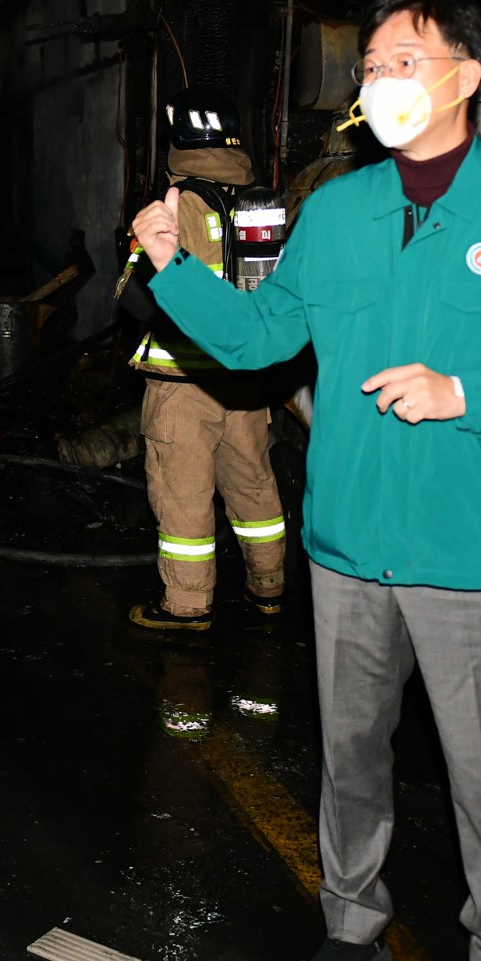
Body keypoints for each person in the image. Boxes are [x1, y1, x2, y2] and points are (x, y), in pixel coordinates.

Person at [131, 0, 481, 961]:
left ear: (466, 76)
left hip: (473, 553)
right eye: (370, 66)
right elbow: (260, 337)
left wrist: (463, 392)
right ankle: (351, 926)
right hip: (350, 546)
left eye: (405, 60)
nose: (381, 80)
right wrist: (170, 267)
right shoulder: (338, 212)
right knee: (349, 759)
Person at [119, 90, 288, 631]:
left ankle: (187, 605)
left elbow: (136, 298)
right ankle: (268, 586)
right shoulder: (259, 202)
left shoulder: (179, 205)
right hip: (247, 380)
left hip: (184, 381)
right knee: (254, 484)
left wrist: (141, 252)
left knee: (183, 494)